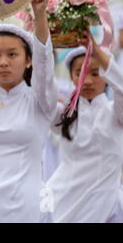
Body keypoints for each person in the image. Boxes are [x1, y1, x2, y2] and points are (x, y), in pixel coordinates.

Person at [0, 0, 58, 222]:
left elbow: (44, 65)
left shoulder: (40, 101)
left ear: (28, 60)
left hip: (28, 207)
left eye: (12, 54)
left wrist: (39, 14)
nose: (3, 62)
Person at [46, 32, 123, 223]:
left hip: (105, 206)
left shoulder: (116, 113)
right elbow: (42, 92)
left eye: (95, 73)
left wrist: (97, 51)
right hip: (64, 202)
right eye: (79, 72)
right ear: (71, 76)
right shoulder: (63, 115)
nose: (87, 80)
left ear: (106, 76)